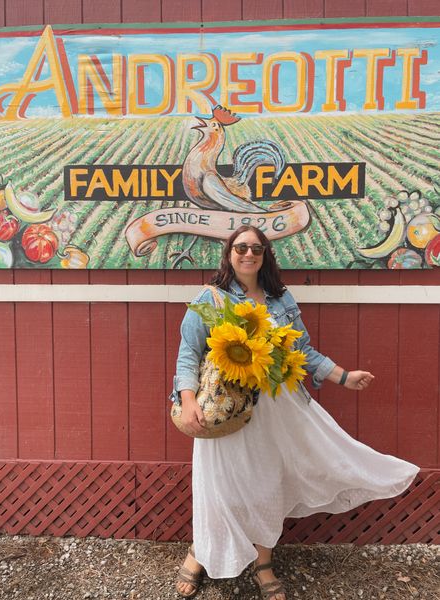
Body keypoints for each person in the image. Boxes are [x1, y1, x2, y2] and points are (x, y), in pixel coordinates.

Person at [171, 225, 419, 599]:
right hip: (226, 411)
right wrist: (188, 401)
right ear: (229, 253)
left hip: (276, 410)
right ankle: (200, 553)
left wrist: (344, 377)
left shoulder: (280, 300)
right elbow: (188, 354)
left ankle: (263, 561)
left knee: (268, 483)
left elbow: (304, 352)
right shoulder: (210, 299)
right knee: (219, 483)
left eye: (256, 248)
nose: (248, 254)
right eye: (241, 247)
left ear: (266, 254)